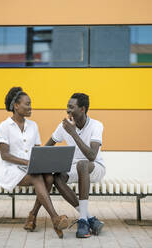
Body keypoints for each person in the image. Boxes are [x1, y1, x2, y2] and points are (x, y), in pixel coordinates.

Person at [26, 93, 106, 238]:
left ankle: (82, 221)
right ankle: (89, 218)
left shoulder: (96, 125)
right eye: (67, 107)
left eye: (71, 107)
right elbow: (47, 147)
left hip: (95, 167)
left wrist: (73, 133)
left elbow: (92, 156)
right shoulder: (63, 126)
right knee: (57, 177)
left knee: (82, 164)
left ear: (82, 109)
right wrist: (35, 162)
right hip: (75, 167)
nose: (67, 110)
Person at [0, 87, 68, 238]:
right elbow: (5, 155)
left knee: (48, 177)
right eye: (27, 104)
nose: (30, 107)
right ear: (16, 105)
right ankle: (55, 218)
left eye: (30, 104)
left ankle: (32, 216)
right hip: (12, 169)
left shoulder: (33, 126)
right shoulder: (5, 126)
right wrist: (27, 162)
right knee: (37, 177)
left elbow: (38, 152)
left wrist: (46, 162)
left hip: (30, 167)